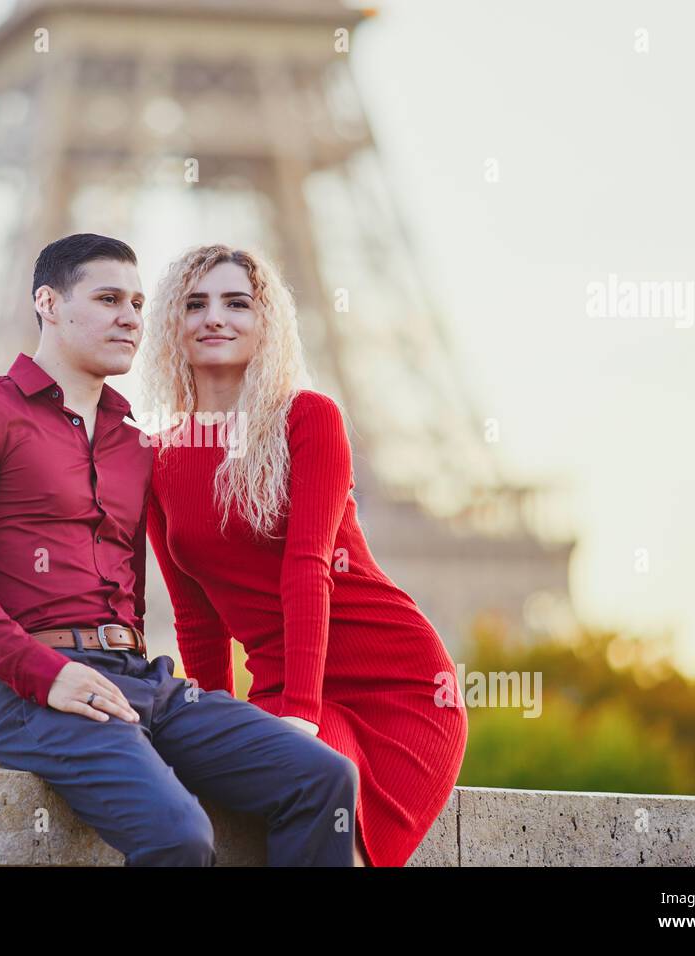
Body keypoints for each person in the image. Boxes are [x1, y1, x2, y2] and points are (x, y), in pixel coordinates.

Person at [0, 232, 358, 866]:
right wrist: (50, 672)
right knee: (179, 835)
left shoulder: (137, 446)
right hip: (37, 691)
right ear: (48, 302)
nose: (130, 317)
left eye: (140, 302)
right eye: (108, 298)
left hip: (143, 683)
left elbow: (182, 589)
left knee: (323, 778)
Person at [140, 243, 469, 867]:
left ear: (266, 323)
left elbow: (308, 566)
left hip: (396, 686)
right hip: (281, 683)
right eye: (196, 303)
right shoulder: (160, 458)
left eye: (238, 302)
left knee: (331, 810)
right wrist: (217, 723)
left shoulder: (308, 419)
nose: (216, 317)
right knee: (316, 788)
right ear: (171, 326)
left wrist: (299, 715)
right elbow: (195, 617)